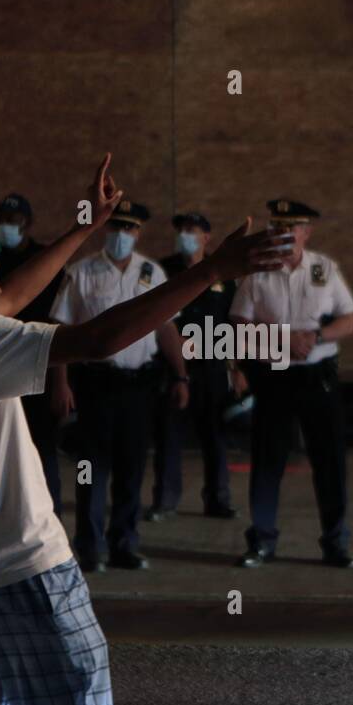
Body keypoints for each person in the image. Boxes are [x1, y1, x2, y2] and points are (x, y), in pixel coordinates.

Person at [0, 154, 286, 705]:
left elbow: (14, 297)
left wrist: (87, 227)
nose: (0, 284)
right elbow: (97, 339)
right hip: (24, 567)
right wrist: (211, 270)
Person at [50, 198, 190, 573]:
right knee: (90, 470)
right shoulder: (80, 272)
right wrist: (61, 384)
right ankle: (90, 548)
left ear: (138, 232)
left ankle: (124, 544)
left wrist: (180, 375)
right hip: (95, 385)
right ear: (105, 229)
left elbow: (166, 328)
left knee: (131, 470)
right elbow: (61, 332)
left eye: (129, 228)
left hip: (137, 388)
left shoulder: (152, 272)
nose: (121, 234)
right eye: (116, 227)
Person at [229, 198, 353, 569]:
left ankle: (336, 542)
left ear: (306, 232)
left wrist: (314, 337)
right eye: (277, 227)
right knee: (269, 459)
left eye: (291, 228)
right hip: (274, 376)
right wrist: (287, 339)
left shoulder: (324, 268)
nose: (283, 234)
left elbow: (347, 321)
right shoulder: (257, 272)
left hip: (318, 377)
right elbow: (239, 324)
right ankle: (262, 541)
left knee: (329, 460)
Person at [146, 212, 241, 522]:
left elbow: (232, 323)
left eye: (192, 230)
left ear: (206, 237)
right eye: (181, 230)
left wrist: (236, 368)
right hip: (174, 367)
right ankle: (165, 500)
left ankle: (218, 500)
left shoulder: (222, 276)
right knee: (168, 436)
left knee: (214, 436)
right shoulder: (164, 270)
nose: (185, 235)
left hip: (212, 366)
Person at [0, 192, 70, 515]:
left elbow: (59, 323)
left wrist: (61, 381)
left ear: (27, 223)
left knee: (42, 447)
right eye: (1, 221)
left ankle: (48, 511)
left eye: (12, 221)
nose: (6, 227)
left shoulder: (44, 261)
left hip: (37, 365)